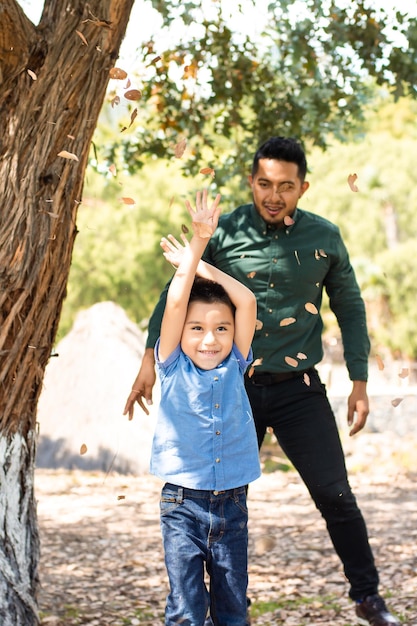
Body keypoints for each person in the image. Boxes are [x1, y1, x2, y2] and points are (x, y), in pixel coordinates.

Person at [127, 137, 400, 626]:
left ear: (303, 187)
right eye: (265, 184)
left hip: (299, 389)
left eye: (286, 187)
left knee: (336, 494)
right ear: (252, 182)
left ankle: (368, 596)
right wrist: (150, 356)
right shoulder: (226, 230)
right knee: (225, 495)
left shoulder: (325, 236)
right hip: (236, 388)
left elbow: (351, 306)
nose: (274, 195)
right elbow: (181, 288)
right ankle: (235, 607)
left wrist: (359, 379)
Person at [124, 189, 260, 626]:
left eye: (221, 328)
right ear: (179, 332)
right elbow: (178, 300)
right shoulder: (172, 364)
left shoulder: (236, 362)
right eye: (197, 329)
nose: (210, 338)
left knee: (233, 608)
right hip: (182, 503)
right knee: (185, 608)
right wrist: (198, 242)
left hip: (232, 502)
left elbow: (247, 303)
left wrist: (200, 266)